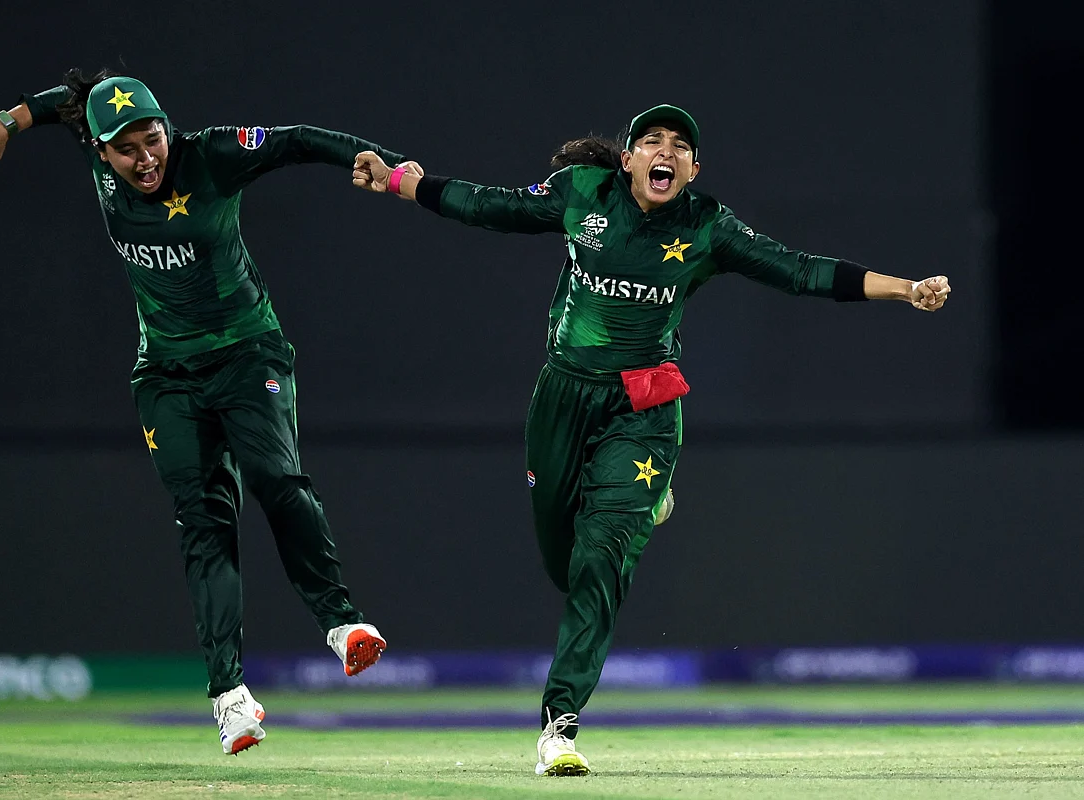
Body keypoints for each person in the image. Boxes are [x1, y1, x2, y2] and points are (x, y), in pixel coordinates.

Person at [351, 104, 950, 776]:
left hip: (643, 406)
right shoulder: (582, 191)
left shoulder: (706, 226)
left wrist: (905, 289)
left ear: (693, 169)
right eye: (651, 140)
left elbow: (799, 269)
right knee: (563, 563)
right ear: (628, 158)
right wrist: (401, 181)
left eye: (679, 146)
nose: (665, 151)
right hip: (562, 398)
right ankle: (649, 502)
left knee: (599, 560)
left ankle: (558, 724)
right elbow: (489, 206)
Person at [0, 68, 415, 755]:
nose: (145, 159)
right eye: (126, 150)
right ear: (100, 149)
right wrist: (5, 123)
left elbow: (296, 139)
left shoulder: (212, 155)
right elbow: (66, 102)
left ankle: (342, 624)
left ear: (166, 127)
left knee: (274, 478)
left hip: (248, 354)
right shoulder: (97, 153)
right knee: (203, 520)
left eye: (152, 139)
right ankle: (230, 698)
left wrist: (377, 160)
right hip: (166, 374)